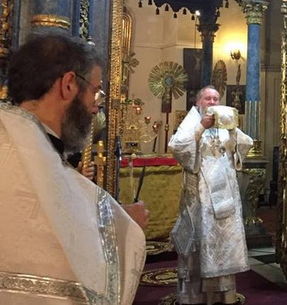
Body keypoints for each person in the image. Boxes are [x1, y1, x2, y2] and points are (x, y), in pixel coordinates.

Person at [0, 30, 148, 304]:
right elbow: (57, 262)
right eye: (95, 91)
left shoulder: (21, 142)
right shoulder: (33, 154)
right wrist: (124, 229)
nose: (95, 106)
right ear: (68, 85)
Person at [169, 86, 252, 305]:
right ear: (199, 102)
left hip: (225, 193)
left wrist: (233, 131)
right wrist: (200, 128)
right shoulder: (192, 121)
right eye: (208, 98)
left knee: (223, 242)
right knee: (202, 240)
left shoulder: (224, 121)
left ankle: (223, 295)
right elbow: (177, 146)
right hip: (201, 195)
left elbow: (245, 143)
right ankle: (195, 298)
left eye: (216, 98)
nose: (212, 102)